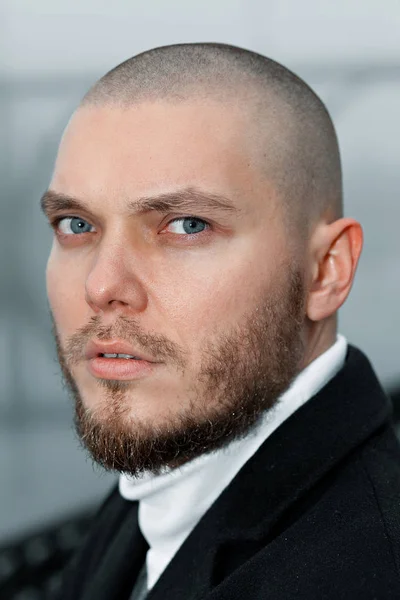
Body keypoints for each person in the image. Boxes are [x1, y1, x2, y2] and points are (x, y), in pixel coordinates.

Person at [41, 43, 400, 599]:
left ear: (326, 271)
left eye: (186, 225)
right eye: (75, 224)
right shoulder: (170, 475)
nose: (102, 286)